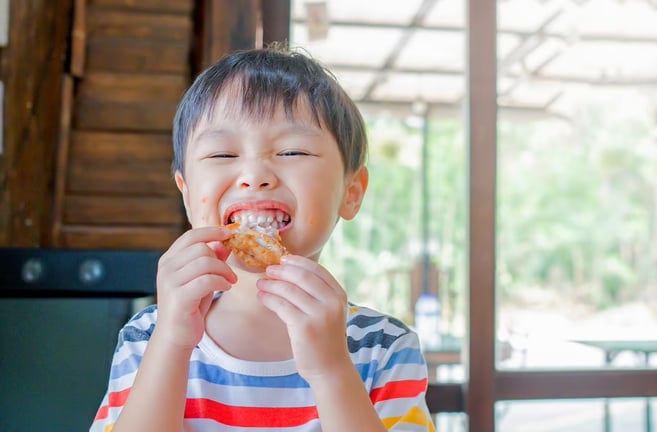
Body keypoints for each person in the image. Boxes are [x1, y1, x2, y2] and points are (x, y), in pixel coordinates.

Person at [89, 45, 435, 432]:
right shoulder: (149, 336)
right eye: (222, 154)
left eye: (292, 150)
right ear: (186, 193)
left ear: (351, 192)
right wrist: (172, 341)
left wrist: (332, 370)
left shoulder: (384, 347)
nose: (255, 175)